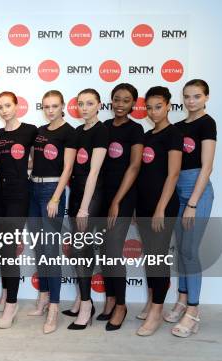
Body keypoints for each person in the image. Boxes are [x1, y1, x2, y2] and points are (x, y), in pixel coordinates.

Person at [165, 79, 216, 338]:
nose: (191, 101)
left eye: (197, 96)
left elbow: (207, 167)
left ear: (206, 97)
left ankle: (193, 312)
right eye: (187, 96)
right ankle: (182, 300)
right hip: (177, 192)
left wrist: (193, 203)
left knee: (190, 251)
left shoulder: (207, 123)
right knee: (181, 251)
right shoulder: (178, 127)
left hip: (197, 193)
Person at [135, 86, 182, 336]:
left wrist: (160, 209)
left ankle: (157, 312)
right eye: (150, 107)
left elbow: (173, 174)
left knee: (158, 257)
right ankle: (152, 300)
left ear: (168, 106)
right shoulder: (147, 134)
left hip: (162, 207)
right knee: (149, 256)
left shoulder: (174, 134)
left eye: (158, 106)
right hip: (143, 204)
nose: (153, 112)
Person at [29, 90, 76, 333]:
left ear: (62, 106)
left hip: (51, 192)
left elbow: (67, 168)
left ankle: (55, 309)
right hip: (33, 189)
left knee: (50, 250)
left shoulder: (69, 132)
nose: (50, 110)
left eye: (54, 106)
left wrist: (56, 198)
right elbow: (34, 161)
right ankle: (44, 297)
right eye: (46, 106)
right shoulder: (40, 130)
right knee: (39, 247)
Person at [98, 83, 144, 331]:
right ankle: (111, 298)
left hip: (123, 199)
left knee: (114, 251)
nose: (120, 104)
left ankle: (122, 305)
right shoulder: (104, 127)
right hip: (103, 197)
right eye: (116, 99)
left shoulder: (136, 130)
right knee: (105, 252)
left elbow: (135, 166)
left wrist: (117, 201)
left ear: (133, 104)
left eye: (126, 100)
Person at [0, 91, 37, 329]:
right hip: (0, 193)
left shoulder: (30, 130)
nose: (4, 110)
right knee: (1, 245)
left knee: (10, 248)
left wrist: (23, 167)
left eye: (7, 105)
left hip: (20, 195)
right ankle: (6, 290)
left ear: (17, 106)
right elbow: (2, 164)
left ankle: (12, 303)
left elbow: (39, 159)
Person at [66, 88, 108, 331]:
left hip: (92, 198)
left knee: (82, 249)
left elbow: (93, 172)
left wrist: (84, 208)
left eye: (89, 103)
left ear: (99, 105)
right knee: (78, 249)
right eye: (80, 103)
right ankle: (83, 298)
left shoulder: (102, 131)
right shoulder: (78, 132)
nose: (84, 108)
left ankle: (85, 306)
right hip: (76, 195)